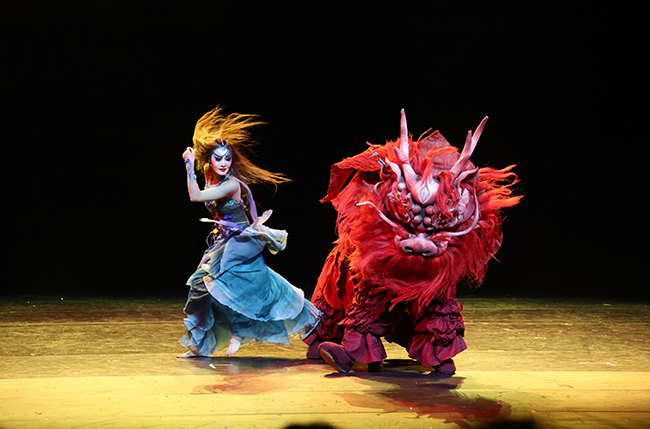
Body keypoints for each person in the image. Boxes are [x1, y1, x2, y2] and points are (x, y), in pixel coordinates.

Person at [177, 107, 320, 358]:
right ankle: (202, 346)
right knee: (205, 287)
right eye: (218, 158)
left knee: (236, 286)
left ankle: (244, 330)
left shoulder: (231, 184)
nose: (224, 163)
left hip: (240, 241)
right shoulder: (211, 175)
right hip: (223, 241)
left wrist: (189, 167)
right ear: (209, 159)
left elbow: (195, 196)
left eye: (228, 158)